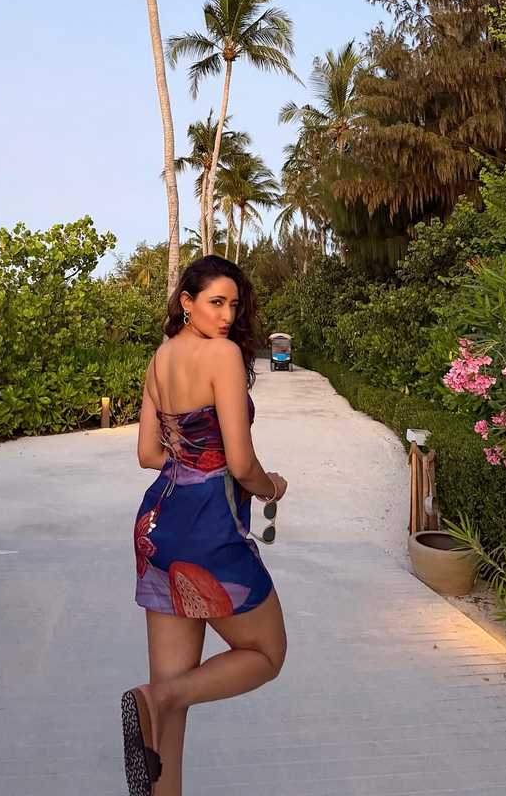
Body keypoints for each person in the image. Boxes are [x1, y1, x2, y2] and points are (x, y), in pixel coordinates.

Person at [120, 255, 288, 796]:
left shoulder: (160, 358)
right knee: (266, 654)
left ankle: (158, 703)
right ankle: (156, 697)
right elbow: (240, 462)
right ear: (186, 302)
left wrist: (189, 456)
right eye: (216, 302)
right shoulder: (223, 355)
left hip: (159, 524)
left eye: (233, 305)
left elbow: (149, 454)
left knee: (172, 701)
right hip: (210, 525)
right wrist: (270, 487)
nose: (227, 315)